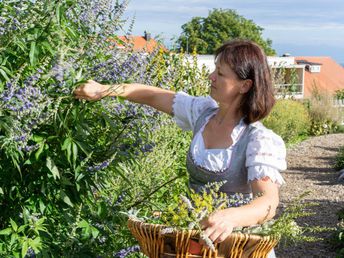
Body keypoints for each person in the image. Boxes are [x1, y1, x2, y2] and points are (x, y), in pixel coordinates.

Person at [74, 39, 286, 257]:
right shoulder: (202, 112)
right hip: (193, 243)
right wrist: (104, 90)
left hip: (236, 247)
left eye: (220, 74)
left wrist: (231, 217)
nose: (211, 76)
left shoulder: (257, 139)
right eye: (215, 70)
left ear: (245, 85)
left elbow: (268, 201)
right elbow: (152, 95)